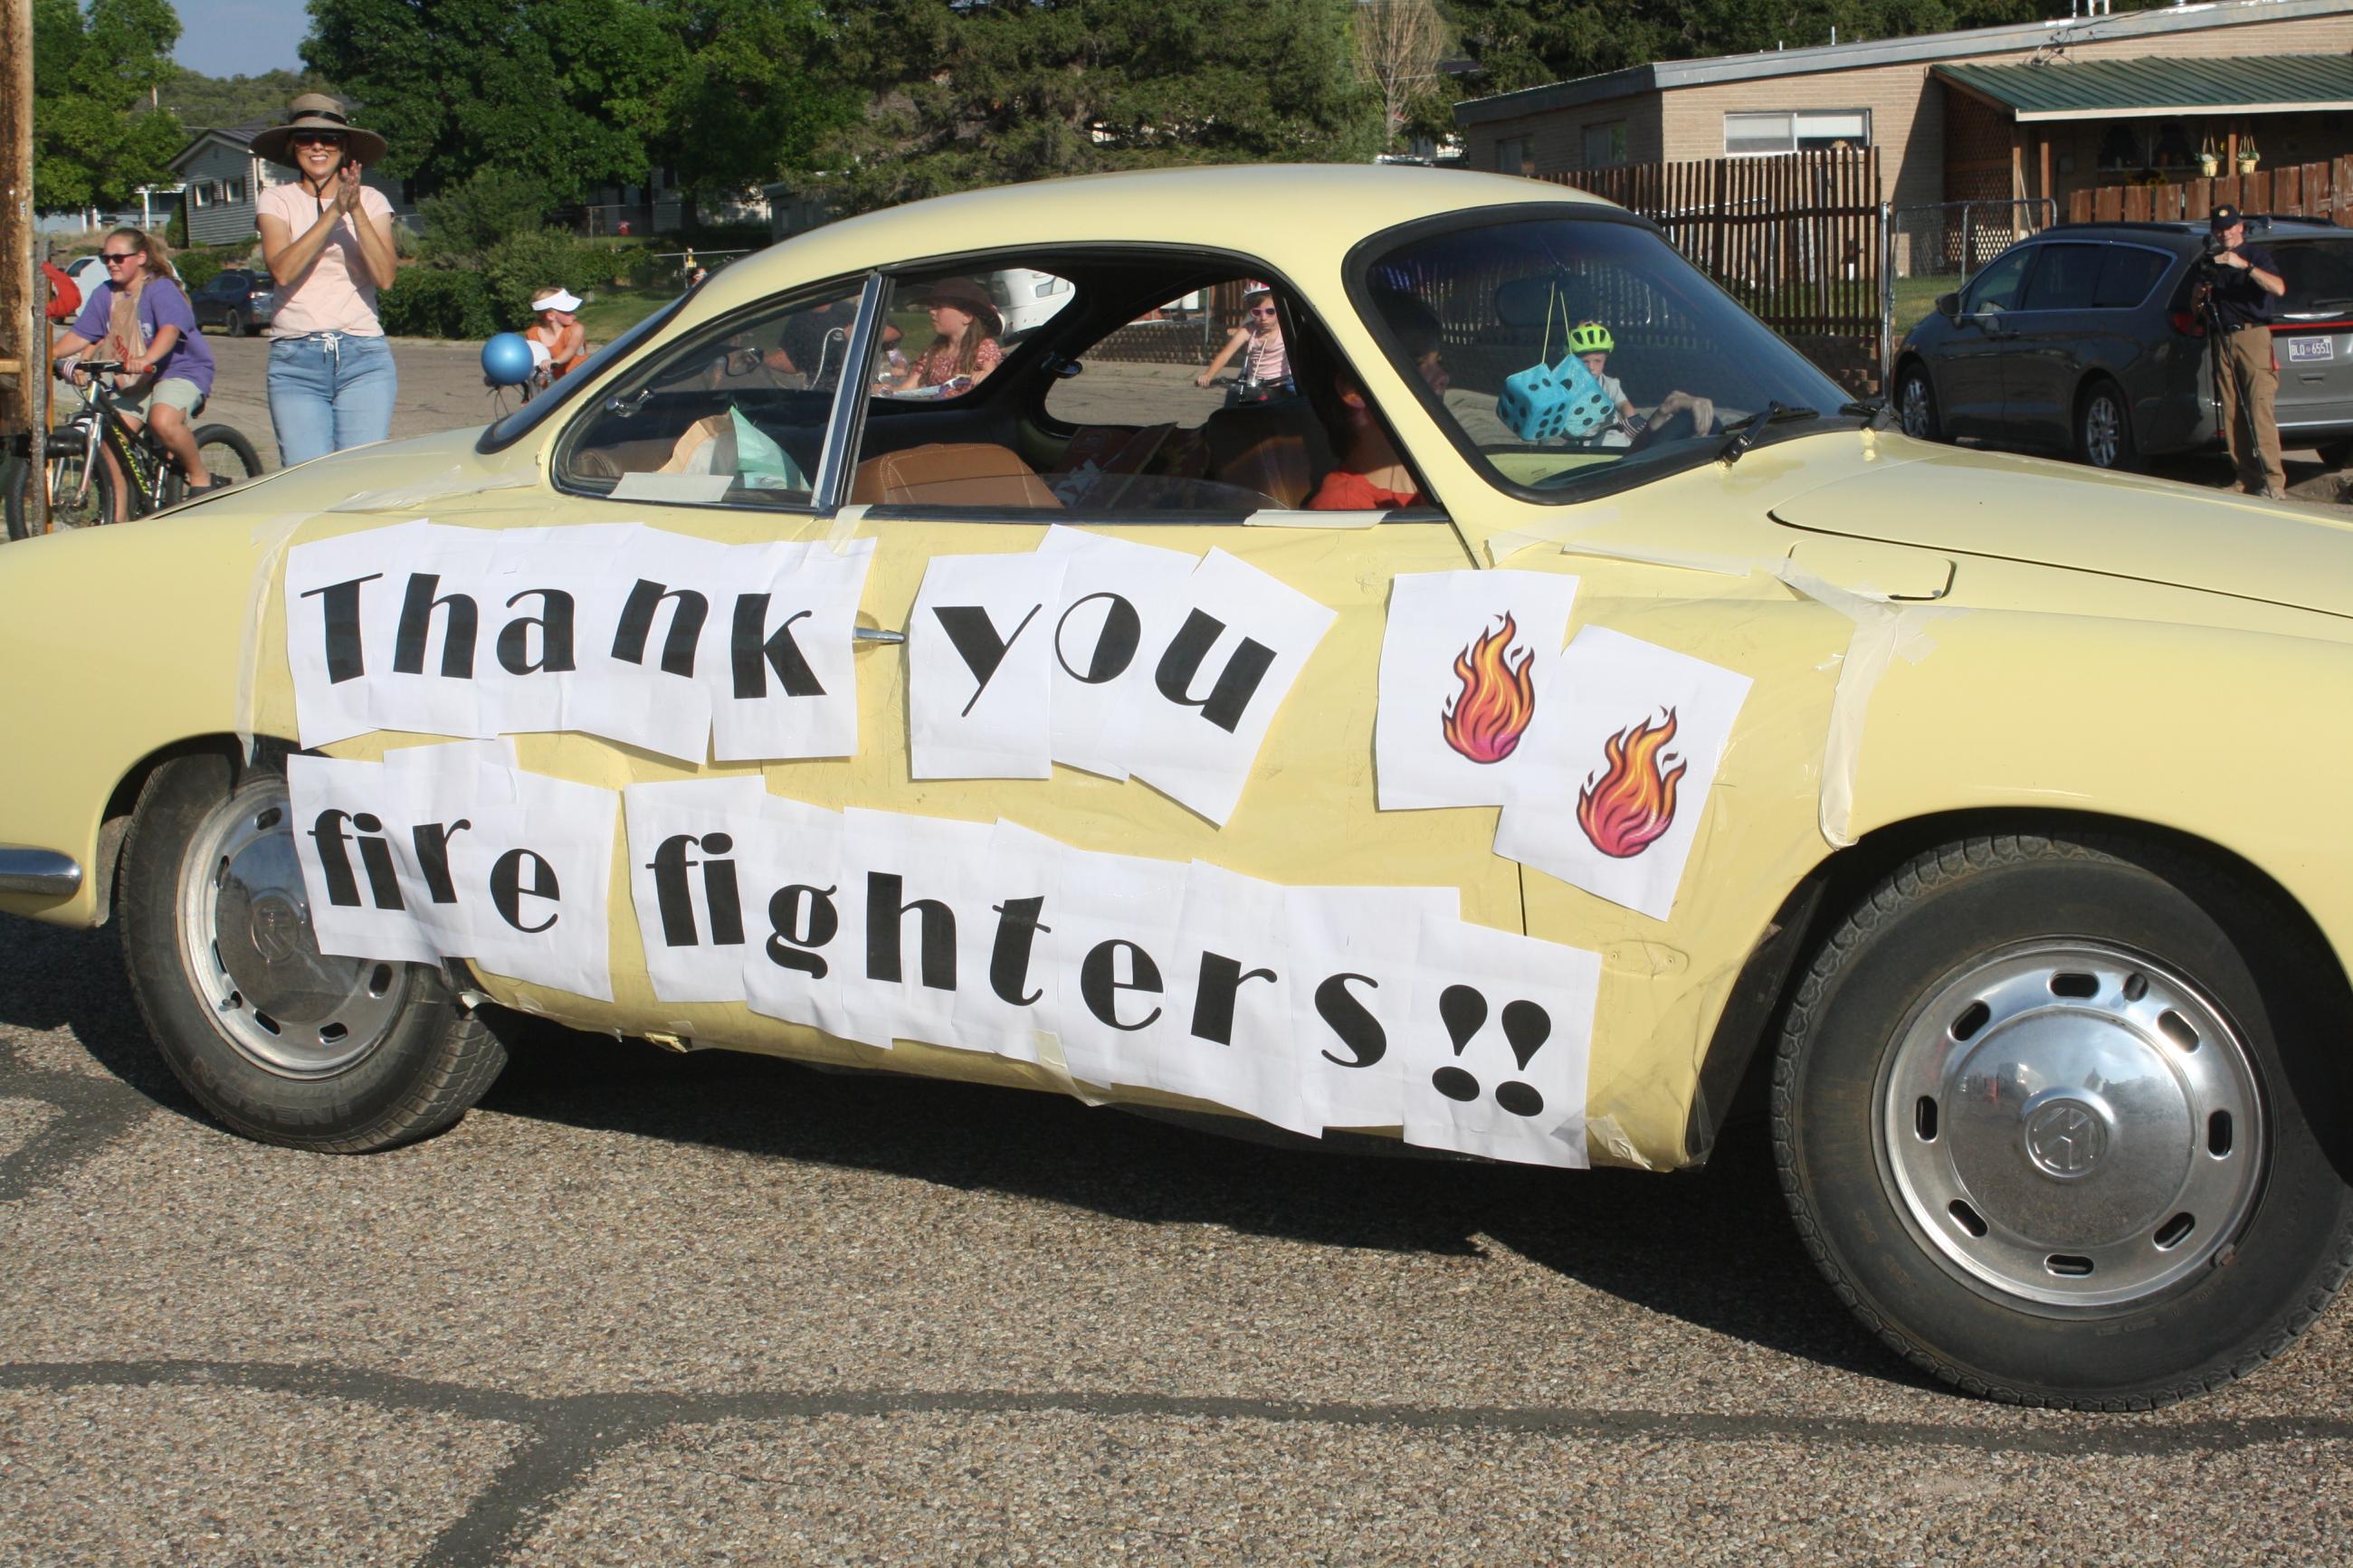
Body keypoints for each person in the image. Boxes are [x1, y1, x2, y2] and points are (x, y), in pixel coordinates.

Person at [252, 94, 399, 466]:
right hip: (296, 357)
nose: (318, 146)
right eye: (306, 138)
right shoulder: (276, 200)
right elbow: (283, 269)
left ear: (344, 147)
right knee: (305, 477)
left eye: (329, 138)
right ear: (291, 147)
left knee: (358, 476)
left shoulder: (372, 199)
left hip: (363, 356)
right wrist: (334, 211)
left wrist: (356, 211)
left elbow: (384, 278)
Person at [49, 226, 223, 511]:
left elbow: (169, 330)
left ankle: (199, 475)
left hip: (178, 369)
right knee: (110, 442)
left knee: (163, 421)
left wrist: (148, 358)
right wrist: (50, 356)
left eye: (119, 258)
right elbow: (81, 335)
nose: (111, 264)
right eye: (105, 259)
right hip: (135, 378)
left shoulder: (160, 288)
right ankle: (117, 517)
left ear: (141, 257)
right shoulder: (105, 294)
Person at [1307, 294, 1450, 510]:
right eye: (1418, 364)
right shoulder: (1346, 507)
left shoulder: (1445, 477)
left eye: (1438, 362)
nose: (1443, 377)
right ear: (1355, 392)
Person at [2199, 204, 2288, 499]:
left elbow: (2278, 289)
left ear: (2240, 227)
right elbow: (2195, 304)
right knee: (2232, 411)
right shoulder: (2211, 259)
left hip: (2253, 337)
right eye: (2219, 229)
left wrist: (2243, 266)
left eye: (2230, 228)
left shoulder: (2256, 256)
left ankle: (2273, 480)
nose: (2224, 234)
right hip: (2223, 336)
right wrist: (2199, 295)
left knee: (2259, 408)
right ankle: (2245, 478)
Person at [1562, 320, 1715, 449]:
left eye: (1598, 361)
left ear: (1606, 359)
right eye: (1585, 362)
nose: (1591, 367)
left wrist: (1633, 422)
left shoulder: (1609, 384)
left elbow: (1624, 406)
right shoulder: (1565, 387)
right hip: (1577, 452)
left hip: (1614, 449)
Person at [895, 278, 1004, 398]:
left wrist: (983, 376)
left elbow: (992, 380)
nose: (931, 311)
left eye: (939, 307)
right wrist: (884, 390)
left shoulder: (983, 346)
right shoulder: (934, 350)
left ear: (966, 316)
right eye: (932, 307)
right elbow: (908, 388)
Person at [1195, 289, 1291, 404]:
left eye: (1270, 312)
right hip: (1256, 386)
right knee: (1233, 402)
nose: (1263, 317)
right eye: (1257, 312)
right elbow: (1225, 355)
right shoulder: (1249, 330)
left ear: (1279, 311)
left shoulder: (1284, 329)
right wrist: (1208, 375)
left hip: (1283, 383)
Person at [524, 288, 589, 386]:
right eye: (568, 312)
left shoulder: (576, 329)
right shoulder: (532, 334)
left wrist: (555, 361)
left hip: (580, 383)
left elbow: (571, 348)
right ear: (551, 316)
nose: (574, 316)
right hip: (554, 390)